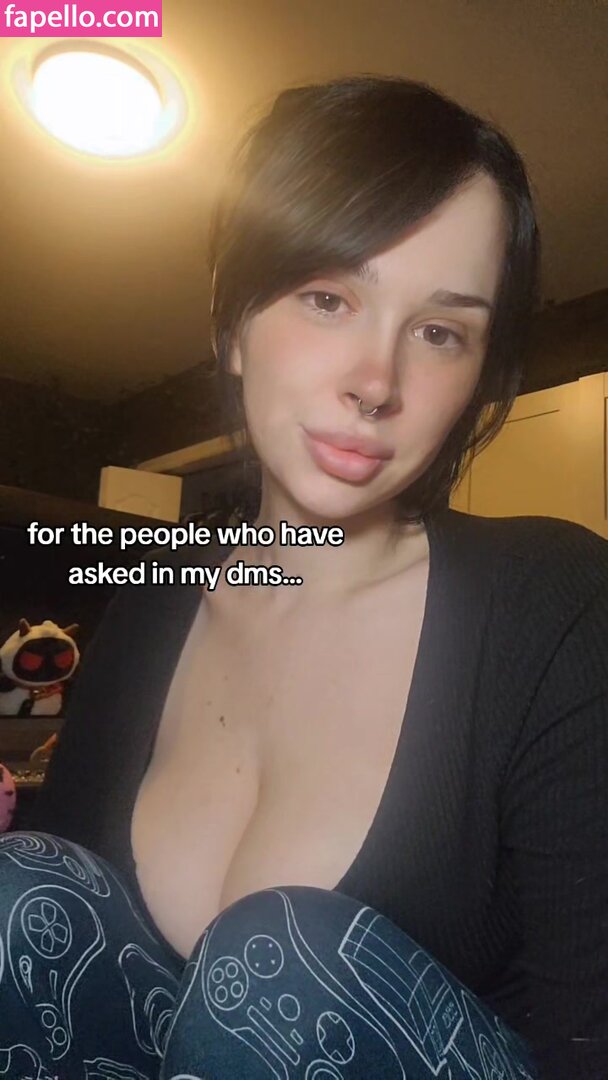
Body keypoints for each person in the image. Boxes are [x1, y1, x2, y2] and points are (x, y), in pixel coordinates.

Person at [2, 74, 606, 1080]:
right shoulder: (153, 601)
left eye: (440, 331)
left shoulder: (556, 604)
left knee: (277, 961)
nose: (376, 382)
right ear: (231, 320)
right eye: (328, 297)